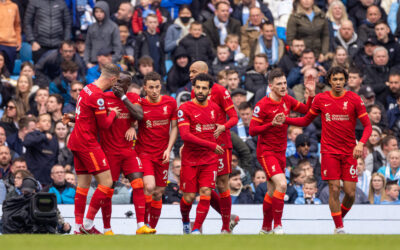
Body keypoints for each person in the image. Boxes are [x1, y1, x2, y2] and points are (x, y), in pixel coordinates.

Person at [276, 66, 372, 234]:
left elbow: (368, 126)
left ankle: (338, 219)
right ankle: (339, 227)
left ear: (345, 81)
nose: (338, 83)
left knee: (350, 194)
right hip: (329, 151)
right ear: (329, 81)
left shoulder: (354, 99)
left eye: (341, 79)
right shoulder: (321, 99)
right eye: (335, 79)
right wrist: (286, 120)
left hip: (349, 151)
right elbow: (306, 120)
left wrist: (361, 143)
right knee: (334, 188)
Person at [249, 67, 315, 234]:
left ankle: (265, 229)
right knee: (282, 184)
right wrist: (271, 124)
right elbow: (252, 130)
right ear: (271, 86)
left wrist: (311, 95)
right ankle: (278, 226)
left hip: (281, 151)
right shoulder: (262, 105)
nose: (283, 86)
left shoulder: (287, 99)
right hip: (266, 151)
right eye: (279, 84)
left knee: (272, 191)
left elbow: (306, 110)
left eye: (285, 83)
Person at [65, 63, 121, 234]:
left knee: (83, 185)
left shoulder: (86, 89)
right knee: (107, 182)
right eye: (116, 81)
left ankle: (77, 227)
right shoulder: (98, 96)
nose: (115, 84)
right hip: (87, 143)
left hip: (76, 140)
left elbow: (85, 117)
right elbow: (104, 125)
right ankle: (88, 224)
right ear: (112, 79)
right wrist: (113, 113)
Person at [99, 71, 155, 234]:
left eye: (121, 82)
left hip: (128, 150)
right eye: (115, 81)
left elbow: (139, 115)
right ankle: (107, 228)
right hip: (110, 152)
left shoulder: (132, 97)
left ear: (127, 85)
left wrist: (123, 99)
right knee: (108, 189)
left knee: (138, 183)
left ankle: (140, 226)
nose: (117, 85)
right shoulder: (103, 97)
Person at [190, 61, 240, 234]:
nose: (190, 75)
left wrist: (223, 127)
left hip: (221, 144)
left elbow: (234, 117)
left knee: (221, 184)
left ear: (205, 72)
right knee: (203, 186)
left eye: (194, 71)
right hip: (203, 145)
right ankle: (229, 218)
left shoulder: (219, 90)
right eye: (189, 72)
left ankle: (226, 227)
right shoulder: (194, 92)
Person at [178, 73, 224, 234]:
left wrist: (218, 140)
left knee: (206, 192)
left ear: (209, 91)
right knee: (189, 198)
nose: (200, 91)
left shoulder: (215, 109)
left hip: (209, 159)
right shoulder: (184, 108)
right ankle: (185, 220)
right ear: (193, 88)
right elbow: (185, 136)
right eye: (197, 87)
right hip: (190, 159)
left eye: (204, 88)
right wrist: (211, 145)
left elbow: (218, 129)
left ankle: (196, 229)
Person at [136, 72, 178, 230]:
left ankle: (152, 228)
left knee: (159, 192)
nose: (154, 91)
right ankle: (144, 223)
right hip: (144, 152)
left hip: (163, 154)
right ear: (145, 88)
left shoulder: (170, 102)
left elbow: (174, 128)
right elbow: (129, 118)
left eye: (157, 87)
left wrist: (169, 149)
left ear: (161, 86)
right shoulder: (140, 104)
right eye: (151, 87)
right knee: (150, 186)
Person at [23, 113, 58, 185]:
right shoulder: (32, 135)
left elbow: (55, 158)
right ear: (38, 124)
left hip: (49, 179)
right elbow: (26, 142)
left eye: (49, 121)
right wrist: (44, 137)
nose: (47, 123)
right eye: (44, 121)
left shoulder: (53, 139)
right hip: (34, 178)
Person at [84, 1, 122, 66]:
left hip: (109, 63)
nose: (99, 14)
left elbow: (117, 47)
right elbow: (88, 45)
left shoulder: (113, 27)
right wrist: (87, 62)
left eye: (101, 11)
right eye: (96, 11)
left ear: (106, 12)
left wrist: (112, 60)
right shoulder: (91, 27)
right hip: (93, 63)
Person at [0, 0, 21, 74]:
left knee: (9, 71)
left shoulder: (14, 6)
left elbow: (17, 25)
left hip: (11, 44)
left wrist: (18, 40)